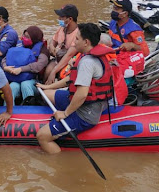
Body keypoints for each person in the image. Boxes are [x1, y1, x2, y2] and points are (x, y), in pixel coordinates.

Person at [36, 23, 122, 154]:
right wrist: (47, 86)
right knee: (46, 94)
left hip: (86, 113)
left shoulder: (88, 62)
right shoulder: (87, 55)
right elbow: (71, 79)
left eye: (77, 39)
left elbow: (81, 94)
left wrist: (65, 114)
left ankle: (60, 165)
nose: (74, 42)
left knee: (42, 136)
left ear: (86, 42)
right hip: (82, 102)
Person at [2, 26, 49, 105]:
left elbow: (38, 66)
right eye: (24, 36)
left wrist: (21, 69)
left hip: (34, 81)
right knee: (13, 86)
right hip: (16, 78)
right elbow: (5, 59)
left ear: (34, 38)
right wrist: (5, 67)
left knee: (25, 84)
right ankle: (7, 110)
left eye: (27, 37)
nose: (24, 38)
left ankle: (29, 109)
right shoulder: (19, 45)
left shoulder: (43, 51)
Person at [43, 4, 79, 84]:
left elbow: (69, 55)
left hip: (70, 61)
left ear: (70, 19)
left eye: (61, 17)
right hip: (58, 57)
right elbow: (53, 40)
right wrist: (52, 46)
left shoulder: (78, 34)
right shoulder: (61, 28)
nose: (59, 19)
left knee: (52, 72)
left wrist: (54, 71)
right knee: (47, 71)